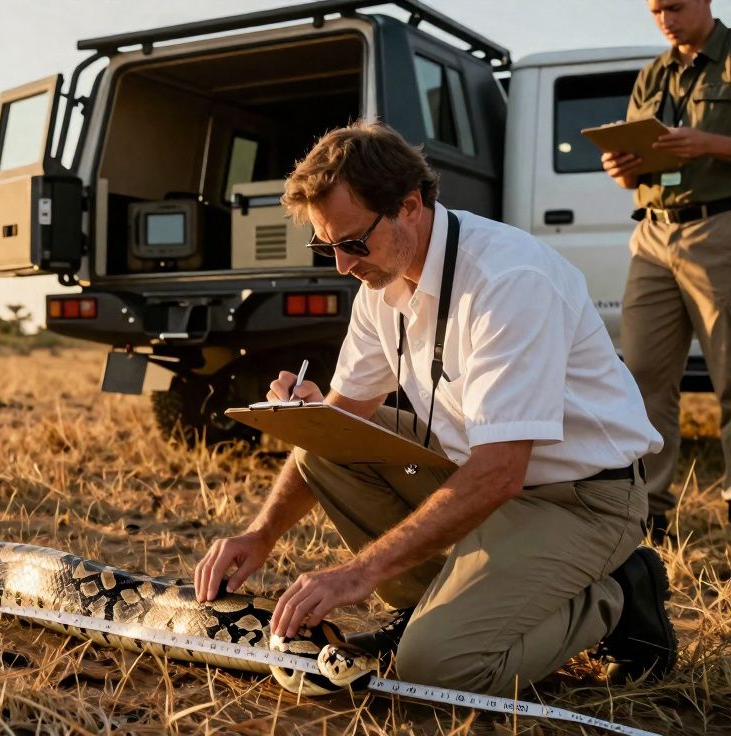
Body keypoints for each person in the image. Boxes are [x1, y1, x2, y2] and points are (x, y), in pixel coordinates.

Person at [194, 122, 677, 696]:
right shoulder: (381, 283)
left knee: (439, 670)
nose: (343, 266)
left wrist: (360, 574)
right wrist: (262, 532)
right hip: (484, 477)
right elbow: (338, 424)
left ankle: (617, 595)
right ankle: (432, 608)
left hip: (580, 498)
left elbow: (502, 469)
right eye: (327, 247)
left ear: (410, 205)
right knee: (328, 441)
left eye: (352, 243)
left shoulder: (508, 280)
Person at [602, 0, 731, 537]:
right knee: (643, 379)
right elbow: (631, 179)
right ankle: (648, 512)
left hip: (718, 229)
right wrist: (620, 167)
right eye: (655, 10)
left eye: (674, 7)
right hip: (652, 234)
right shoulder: (653, 73)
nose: (664, 19)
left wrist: (709, 145)